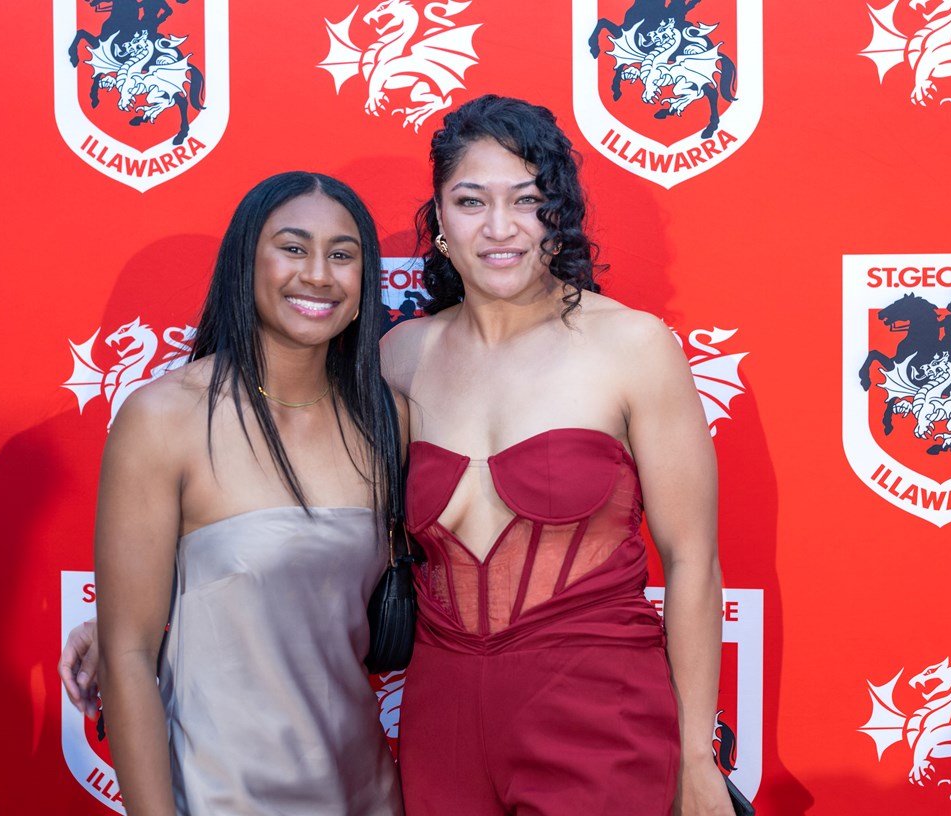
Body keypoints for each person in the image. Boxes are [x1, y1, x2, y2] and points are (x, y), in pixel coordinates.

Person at [63, 96, 731, 815]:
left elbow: (692, 560)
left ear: (558, 213)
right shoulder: (399, 360)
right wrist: (134, 620)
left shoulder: (633, 347)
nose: (499, 227)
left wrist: (697, 759)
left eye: (526, 200)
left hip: (595, 706)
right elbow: (296, 505)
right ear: (439, 218)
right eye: (471, 201)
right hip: (442, 720)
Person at [85, 170, 403, 816]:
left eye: (342, 255)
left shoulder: (389, 419)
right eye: (293, 247)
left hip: (364, 793)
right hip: (219, 795)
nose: (318, 274)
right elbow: (128, 654)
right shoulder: (164, 418)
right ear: (245, 262)